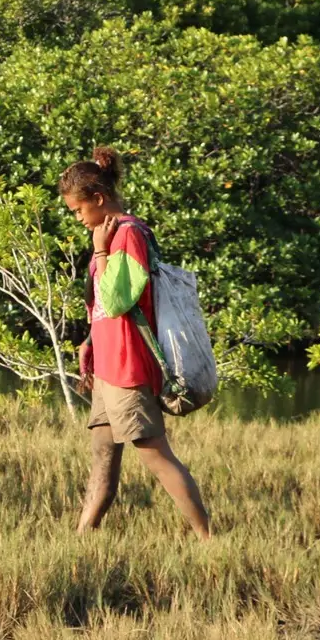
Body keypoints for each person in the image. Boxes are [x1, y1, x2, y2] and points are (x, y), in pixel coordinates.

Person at [60, 148, 213, 538]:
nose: (78, 219)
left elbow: (117, 300)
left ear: (98, 199)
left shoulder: (126, 234)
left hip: (128, 366)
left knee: (156, 455)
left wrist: (99, 250)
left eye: (79, 210)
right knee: (102, 459)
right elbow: (103, 309)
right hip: (107, 365)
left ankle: (208, 539)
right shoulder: (111, 234)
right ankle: (81, 538)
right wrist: (89, 341)